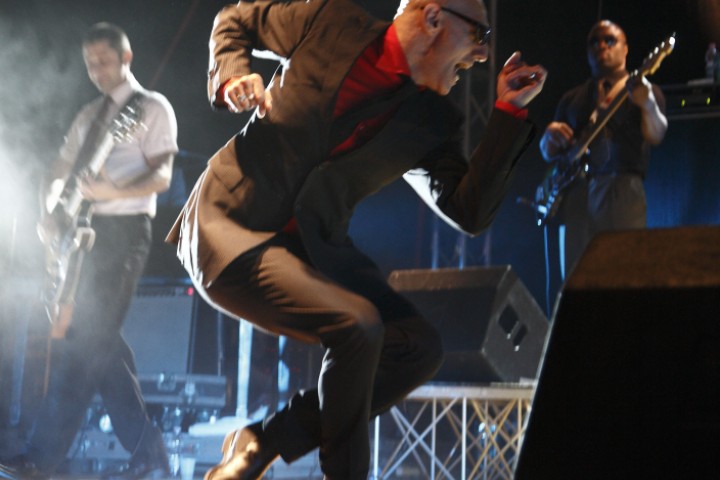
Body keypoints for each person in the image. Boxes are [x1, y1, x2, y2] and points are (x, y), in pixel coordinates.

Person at [167, 0, 545, 478]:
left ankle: (264, 441)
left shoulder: (431, 120)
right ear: (432, 19)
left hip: (308, 250)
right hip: (230, 223)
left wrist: (508, 112)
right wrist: (231, 76)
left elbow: (468, 211)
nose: (482, 58)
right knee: (359, 325)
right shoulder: (329, 22)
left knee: (416, 346)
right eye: (478, 38)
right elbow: (235, 21)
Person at [1, 22, 178, 480]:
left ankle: (41, 456)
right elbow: (58, 170)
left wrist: (111, 188)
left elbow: (160, 178)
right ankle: (148, 449)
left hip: (124, 232)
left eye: (104, 61)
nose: (97, 71)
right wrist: (48, 212)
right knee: (100, 343)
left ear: (126, 58)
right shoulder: (86, 116)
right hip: (80, 236)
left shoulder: (151, 108)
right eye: (90, 65)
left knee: (81, 345)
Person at [539, 20, 667, 279]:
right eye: (594, 42)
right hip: (576, 193)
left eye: (610, 40)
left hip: (622, 189)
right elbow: (549, 153)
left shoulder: (644, 90)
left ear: (625, 48)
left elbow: (656, 135)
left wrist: (649, 105)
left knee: (625, 273)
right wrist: (547, 140)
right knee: (575, 279)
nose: (601, 46)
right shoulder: (572, 98)